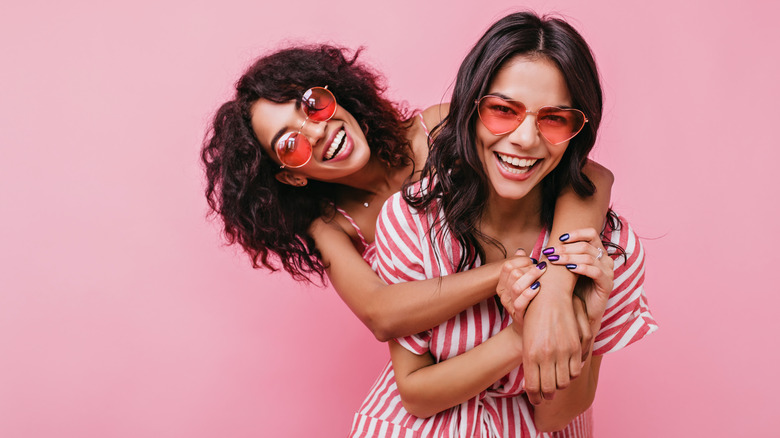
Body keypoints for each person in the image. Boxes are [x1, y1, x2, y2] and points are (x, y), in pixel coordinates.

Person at [201, 43, 613, 402]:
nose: (318, 131)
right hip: (452, 372)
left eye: (312, 104)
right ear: (290, 175)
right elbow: (382, 314)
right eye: (290, 144)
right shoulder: (332, 225)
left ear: (337, 95)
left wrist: (557, 289)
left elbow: (588, 176)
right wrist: (507, 274)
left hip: (541, 359)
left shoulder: (434, 129)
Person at [349, 11, 657, 437]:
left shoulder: (606, 249)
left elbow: (554, 417)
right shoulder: (413, 223)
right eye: (502, 110)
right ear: (470, 110)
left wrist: (584, 312)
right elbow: (416, 395)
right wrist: (519, 337)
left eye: (554, 118)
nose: (525, 139)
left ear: (576, 131)